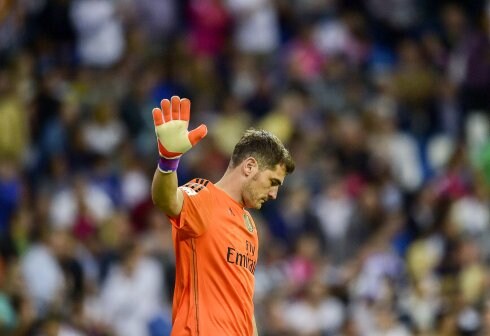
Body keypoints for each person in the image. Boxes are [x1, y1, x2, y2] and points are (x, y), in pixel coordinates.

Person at [151, 96, 295, 336]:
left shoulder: (249, 225)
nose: (274, 194)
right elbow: (166, 199)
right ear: (249, 167)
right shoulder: (205, 196)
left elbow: (243, 303)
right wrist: (169, 161)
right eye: (272, 182)